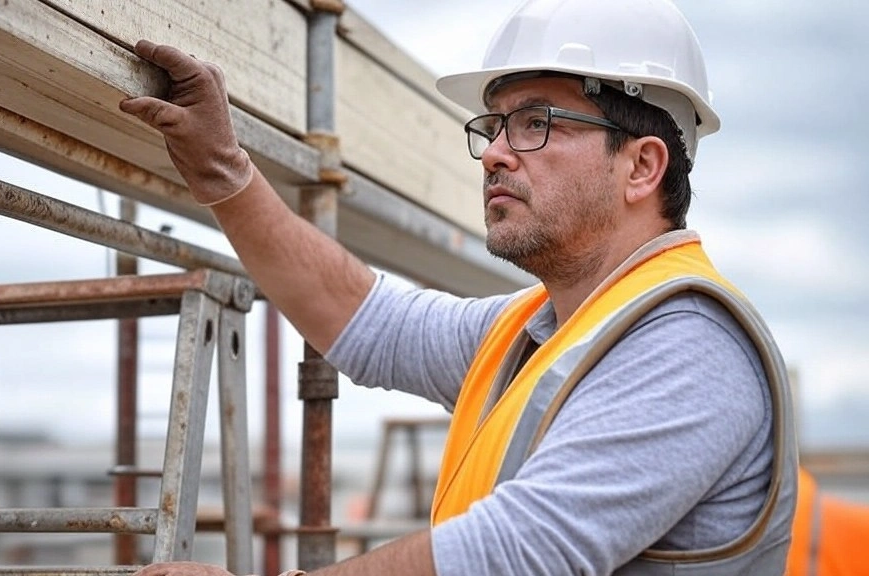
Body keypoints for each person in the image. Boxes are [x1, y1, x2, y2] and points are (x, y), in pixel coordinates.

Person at [119, 0, 798, 574]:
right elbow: (368, 320)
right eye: (495, 125)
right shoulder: (537, 331)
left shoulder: (690, 343)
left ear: (642, 166)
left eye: (536, 123)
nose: (497, 151)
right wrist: (224, 173)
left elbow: (517, 550)